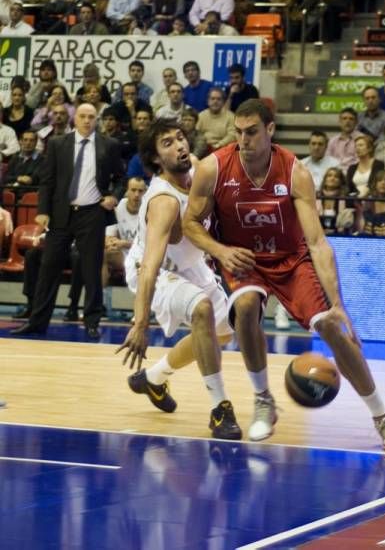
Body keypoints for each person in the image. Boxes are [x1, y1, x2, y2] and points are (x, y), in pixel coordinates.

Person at [181, 99, 385, 451]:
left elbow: (317, 241)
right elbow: (190, 223)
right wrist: (221, 251)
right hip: (243, 258)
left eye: (252, 132)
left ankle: (383, 416)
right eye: (239, 133)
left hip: (291, 257)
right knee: (245, 309)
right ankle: (263, 400)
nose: (244, 140)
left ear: (270, 130)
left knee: (331, 326)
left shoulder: (294, 171)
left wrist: (338, 304)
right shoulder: (214, 168)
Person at [117, 119, 242, 440]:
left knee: (224, 333)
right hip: (156, 270)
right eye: (168, 144)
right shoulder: (164, 201)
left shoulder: (198, 170)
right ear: (156, 158)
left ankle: (154, 378)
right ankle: (220, 408)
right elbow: (150, 265)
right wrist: (141, 322)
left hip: (191, 265)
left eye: (181, 138)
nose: (180, 146)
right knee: (202, 310)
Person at [11, 104, 125, 340]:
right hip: (61, 214)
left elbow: (121, 177)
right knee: (48, 267)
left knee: (92, 268)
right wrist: (43, 210)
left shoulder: (109, 145)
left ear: (97, 120)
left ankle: (91, 321)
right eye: (82, 116)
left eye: (91, 117)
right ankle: (37, 322)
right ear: (76, 119)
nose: (86, 120)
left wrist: (114, 196)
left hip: (91, 213)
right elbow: (47, 180)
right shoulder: (57, 143)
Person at [326, 107, 361, 172]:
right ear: (339, 121)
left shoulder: (361, 139)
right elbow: (328, 160)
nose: (347, 121)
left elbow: (361, 162)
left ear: (356, 122)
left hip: (353, 174)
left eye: (351, 119)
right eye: (344, 118)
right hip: (335, 175)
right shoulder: (332, 141)